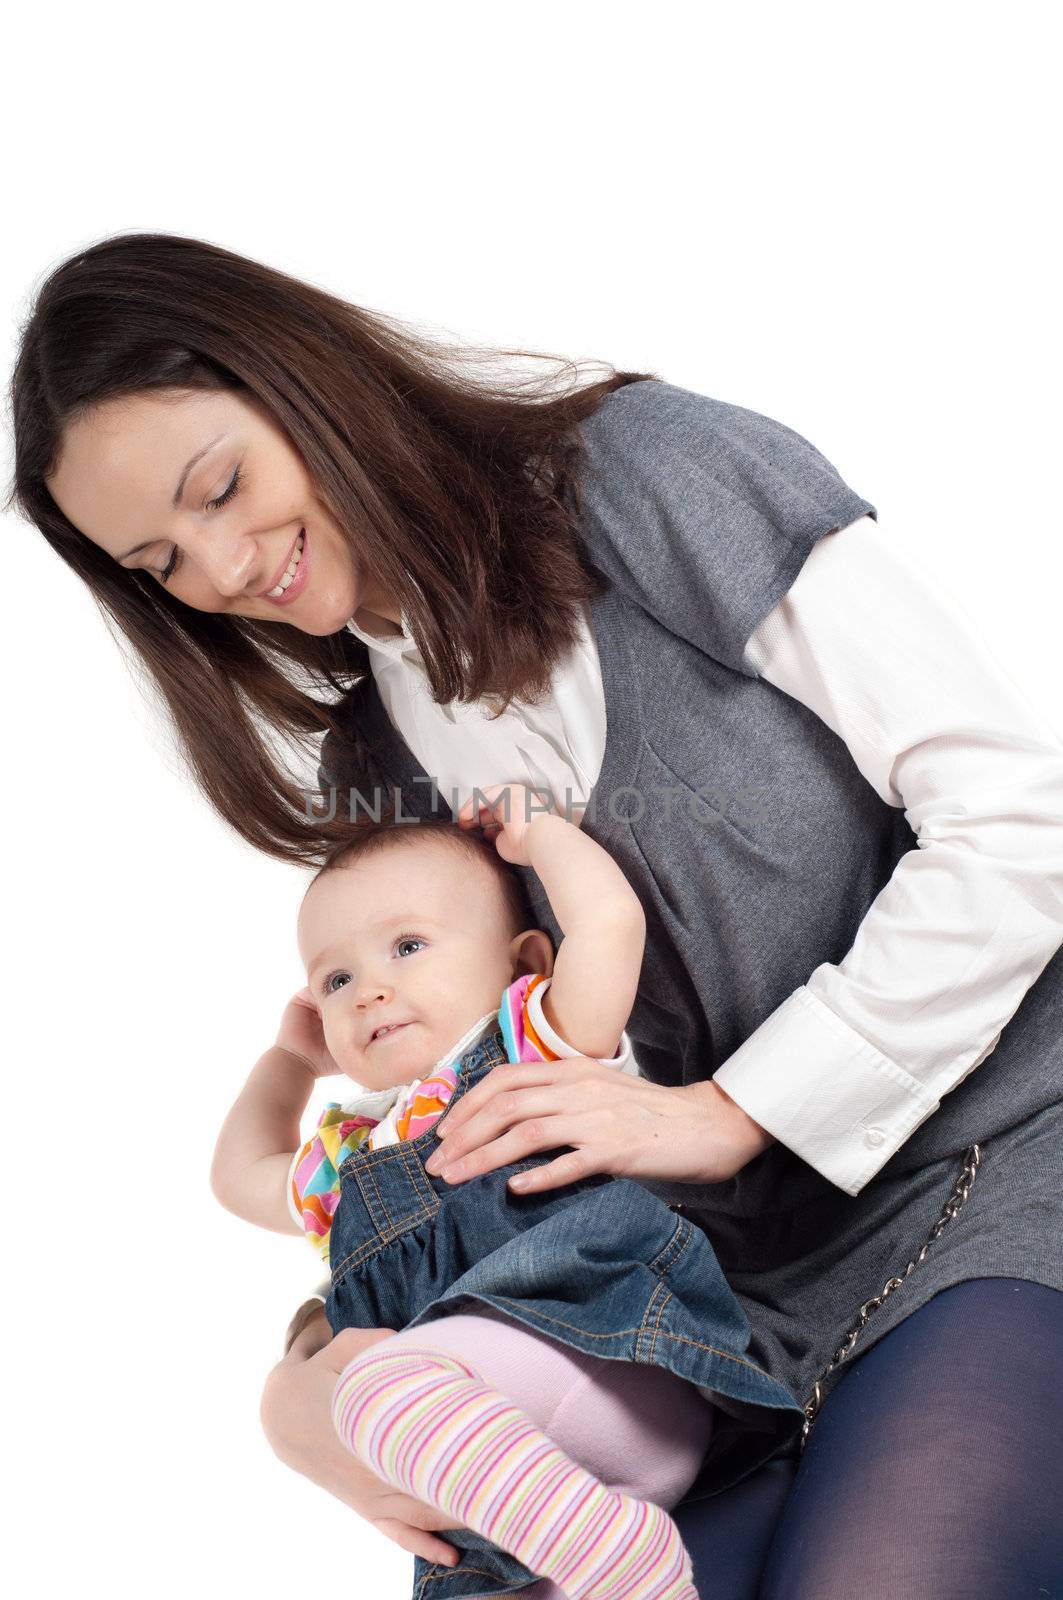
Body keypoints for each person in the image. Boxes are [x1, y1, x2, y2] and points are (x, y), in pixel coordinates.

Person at [10, 231, 1063, 1597]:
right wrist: (312, 1387)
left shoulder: (650, 476)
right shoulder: (376, 775)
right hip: (689, 1324)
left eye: (221, 486)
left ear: (305, 383)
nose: (220, 567)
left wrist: (727, 1112)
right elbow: (434, 1146)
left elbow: (1016, 818)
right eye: (161, 559)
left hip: (985, 1171)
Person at [210, 787, 805, 1599]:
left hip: (602, 1362)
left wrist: (548, 839)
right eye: (336, 977)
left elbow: (607, 928)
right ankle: (603, 1557)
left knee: (376, 1387)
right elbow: (238, 1178)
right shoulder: (343, 1156)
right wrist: (286, 1061)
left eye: (408, 946)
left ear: (523, 964)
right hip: (518, 1489)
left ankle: (627, 1554)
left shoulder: (522, 1045)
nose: (367, 991)